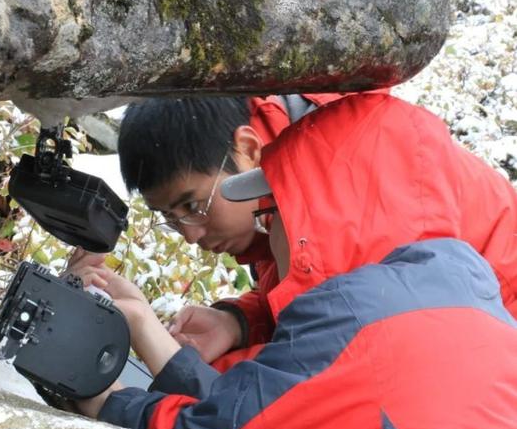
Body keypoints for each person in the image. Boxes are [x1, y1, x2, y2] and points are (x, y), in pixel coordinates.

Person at [70, 208, 517, 429]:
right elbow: (268, 421)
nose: (265, 248)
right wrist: (145, 324)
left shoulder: (346, 312)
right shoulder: (455, 292)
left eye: (269, 218)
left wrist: (105, 400)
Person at [115, 92, 517, 372]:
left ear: (248, 149)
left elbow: (329, 366)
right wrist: (238, 322)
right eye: (170, 216)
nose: (190, 234)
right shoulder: (291, 176)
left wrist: (170, 368)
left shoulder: (346, 182)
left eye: (192, 206)